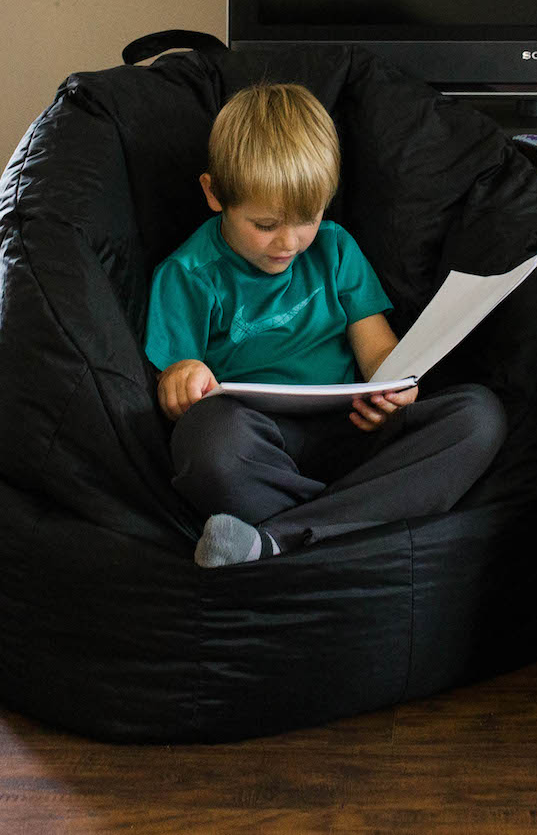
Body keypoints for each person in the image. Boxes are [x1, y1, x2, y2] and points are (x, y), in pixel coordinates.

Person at [145, 82, 508, 567]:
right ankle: (354, 520)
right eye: (266, 224)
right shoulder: (187, 275)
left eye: (307, 218)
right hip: (259, 447)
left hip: (351, 433)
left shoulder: (335, 249)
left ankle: (275, 542)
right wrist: (182, 378)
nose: (289, 242)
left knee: (478, 417)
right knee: (206, 442)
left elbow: (379, 354)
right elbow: (173, 388)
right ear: (215, 195)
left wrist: (396, 389)